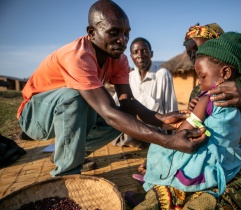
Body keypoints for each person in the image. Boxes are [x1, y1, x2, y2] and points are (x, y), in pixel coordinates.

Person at [16, 0, 206, 177]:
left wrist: (162, 119)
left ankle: (67, 153)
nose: (122, 40)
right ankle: (67, 173)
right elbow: (107, 112)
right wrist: (168, 141)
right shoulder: (77, 56)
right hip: (34, 117)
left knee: (124, 119)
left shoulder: (119, 59)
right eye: (114, 33)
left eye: (126, 34)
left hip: (65, 113)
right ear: (91, 32)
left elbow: (127, 103)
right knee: (74, 97)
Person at [132, 23, 241, 209]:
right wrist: (167, 157)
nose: (192, 55)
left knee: (229, 192)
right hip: (204, 152)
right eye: (188, 51)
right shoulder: (202, 85)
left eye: (197, 49)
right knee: (175, 183)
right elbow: (192, 128)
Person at [112, 37, 178, 148]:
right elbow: (116, 103)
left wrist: (172, 136)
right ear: (131, 57)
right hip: (132, 127)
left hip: (154, 126)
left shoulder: (162, 75)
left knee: (138, 133)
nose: (140, 55)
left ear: (151, 54)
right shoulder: (129, 77)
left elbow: (170, 107)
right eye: (135, 52)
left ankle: (148, 141)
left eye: (144, 51)